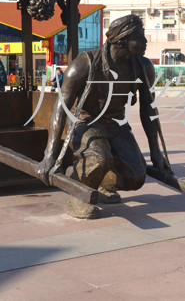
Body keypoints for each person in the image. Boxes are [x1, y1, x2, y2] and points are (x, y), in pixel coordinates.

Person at [36, 15, 172, 219]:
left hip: (116, 123)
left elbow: (149, 109)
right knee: (100, 157)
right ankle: (79, 194)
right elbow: (60, 109)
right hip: (85, 121)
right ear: (122, 40)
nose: (145, 42)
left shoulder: (143, 67)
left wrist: (156, 152)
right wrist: (50, 155)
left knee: (136, 176)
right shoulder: (85, 64)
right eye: (140, 37)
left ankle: (100, 183)